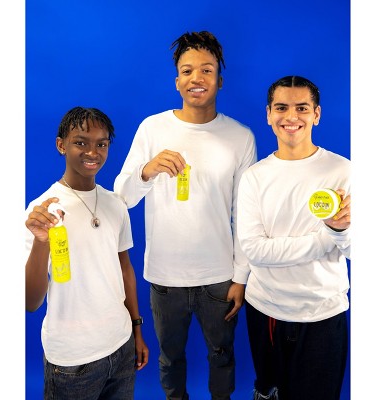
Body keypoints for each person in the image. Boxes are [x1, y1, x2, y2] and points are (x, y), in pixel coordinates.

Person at [113, 31, 257, 400]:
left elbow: (246, 214)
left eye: (207, 70)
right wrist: (147, 170)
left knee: (222, 356)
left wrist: (241, 277)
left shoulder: (240, 137)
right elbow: (122, 197)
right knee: (170, 358)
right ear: (177, 81)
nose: (197, 78)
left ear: (219, 81)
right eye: (187, 70)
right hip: (165, 275)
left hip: (219, 276)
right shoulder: (153, 128)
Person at [237, 76, 351, 400]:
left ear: (316, 114)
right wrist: (327, 236)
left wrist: (342, 232)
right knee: (269, 394)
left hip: (323, 313)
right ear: (268, 114)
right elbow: (255, 250)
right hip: (266, 310)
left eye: (302, 108)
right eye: (281, 108)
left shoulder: (344, 172)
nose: (291, 117)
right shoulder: (254, 177)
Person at [25, 106, 149, 400]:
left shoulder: (115, 204)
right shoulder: (42, 211)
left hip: (120, 345)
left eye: (101, 144)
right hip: (72, 361)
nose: (93, 152)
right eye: (80, 142)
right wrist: (42, 242)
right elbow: (30, 301)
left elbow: (125, 270)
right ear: (61, 145)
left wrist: (136, 329)